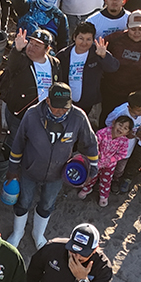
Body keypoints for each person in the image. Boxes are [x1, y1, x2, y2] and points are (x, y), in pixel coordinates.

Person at [6, 81, 98, 248]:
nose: (60, 111)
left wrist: (93, 168)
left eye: (65, 107)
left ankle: (38, 234)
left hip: (57, 174)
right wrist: (13, 169)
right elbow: (18, 142)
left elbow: (90, 143)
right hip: (29, 170)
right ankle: (18, 232)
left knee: (47, 204)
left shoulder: (78, 117)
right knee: (23, 201)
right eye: (57, 107)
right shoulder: (32, 114)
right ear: (47, 101)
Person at [100, 10, 141, 123]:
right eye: (133, 29)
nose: (137, 32)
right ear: (127, 27)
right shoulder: (114, 39)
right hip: (111, 91)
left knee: (130, 124)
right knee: (106, 118)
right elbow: (99, 53)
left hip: (136, 95)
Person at [0, 27, 62, 139]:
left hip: (45, 115)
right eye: (31, 43)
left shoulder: (54, 63)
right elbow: (12, 65)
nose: (31, 48)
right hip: (19, 115)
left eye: (37, 46)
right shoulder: (21, 58)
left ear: (47, 49)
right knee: (16, 142)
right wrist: (17, 49)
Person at [59, 24, 119, 114]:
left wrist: (104, 56)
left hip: (90, 104)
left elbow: (113, 67)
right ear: (74, 37)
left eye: (88, 39)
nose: (84, 43)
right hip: (67, 103)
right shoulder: (63, 55)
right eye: (81, 38)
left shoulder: (97, 53)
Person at [78, 116, 133, 207]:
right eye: (120, 125)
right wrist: (97, 153)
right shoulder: (102, 133)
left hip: (109, 165)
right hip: (96, 162)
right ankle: (87, 189)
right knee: (91, 176)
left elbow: (122, 154)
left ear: (127, 132)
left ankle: (104, 196)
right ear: (113, 123)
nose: (121, 129)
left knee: (106, 180)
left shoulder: (124, 140)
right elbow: (94, 144)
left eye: (125, 128)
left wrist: (111, 159)